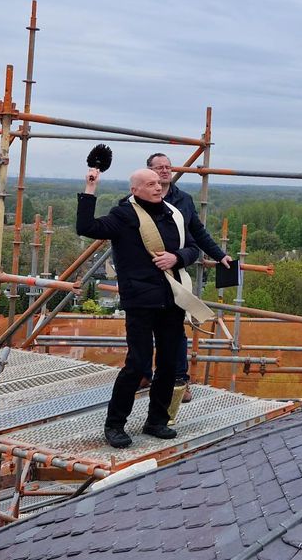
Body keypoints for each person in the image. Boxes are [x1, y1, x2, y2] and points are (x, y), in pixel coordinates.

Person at [77, 165, 200, 448]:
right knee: (137, 364)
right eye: (150, 184)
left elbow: (193, 247)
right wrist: (90, 189)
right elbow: (86, 227)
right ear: (135, 190)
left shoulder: (174, 214)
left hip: (171, 299)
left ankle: (156, 420)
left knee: (169, 363)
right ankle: (115, 425)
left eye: (158, 183)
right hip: (141, 301)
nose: (157, 187)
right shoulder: (124, 216)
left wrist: (177, 258)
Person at [145, 153, 233, 401]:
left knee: (174, 329)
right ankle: (142, 372)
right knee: (140, 327)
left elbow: (197, 232)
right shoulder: (137, 199)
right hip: (146, 274)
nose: (165, 171)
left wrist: (219, 256)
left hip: (174, 274)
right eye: (159, 167)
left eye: (168, 167)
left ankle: (179, 380)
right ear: (149, 170)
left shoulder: (182, 200)